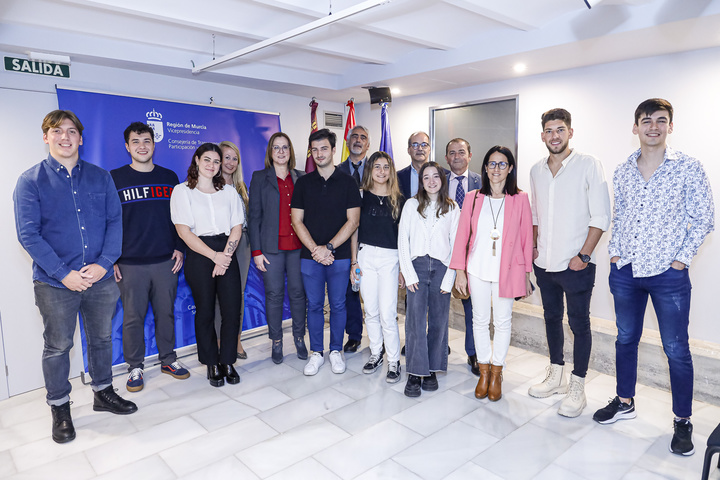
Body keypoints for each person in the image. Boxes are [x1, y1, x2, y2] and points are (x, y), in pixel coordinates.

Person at [593, 99, 714, 457]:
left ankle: (682, 420)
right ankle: (625, 400)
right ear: (636, 128)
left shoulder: (689, 168)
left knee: (676, 350)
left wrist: (680, 260)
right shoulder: (622, 170)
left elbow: (704, 218)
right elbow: (621, 216)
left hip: (668, 275)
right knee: (625, 338)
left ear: (670, 127)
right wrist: (615, 253)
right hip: (626, 270)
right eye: (646, 121)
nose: (654, 127)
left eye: (661, 121)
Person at [14, 110, 138, 444]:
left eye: (72, 131)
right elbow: (28, 235)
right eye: (57, 131)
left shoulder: (101, 178)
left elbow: (115, 222)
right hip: (55, 284)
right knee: (58, 346)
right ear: (46, 137)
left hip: (101, 278)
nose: (65, 137)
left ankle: (102, 392)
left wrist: (104, 263)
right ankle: (59, 407)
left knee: (101, 339)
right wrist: (63, 273)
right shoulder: (30, 181)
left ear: (81, 138)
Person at [527, 108, 611, 418]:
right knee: (551, 318)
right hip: (545, 263)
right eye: (549, 130)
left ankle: (578, 386)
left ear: (570, 132)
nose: (554, 136)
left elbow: (601, 215)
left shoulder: (589, 165)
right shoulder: (536, 170)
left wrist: (584, 256)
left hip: (576, 263)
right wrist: (535, 250)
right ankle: (556, 375)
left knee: (579, 324)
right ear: (542, 135)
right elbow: (535, 215)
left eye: (560, 129)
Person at [111, 122, 189, 393]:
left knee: (165, 314)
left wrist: (180, 246)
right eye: (135, 141)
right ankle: (135, 367)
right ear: (127, 146)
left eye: (146, 140)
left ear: (154, 144)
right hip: (130, 264)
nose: (142, 146)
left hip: (165, 260)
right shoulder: (115, 178)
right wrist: (111, 258)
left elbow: (180, 217)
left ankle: (168, 359)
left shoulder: (169, 177)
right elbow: (108, 221)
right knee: (133, 317)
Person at [450, 146, 533, 402]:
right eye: (492, 163)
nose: (496, 168)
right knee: (479, 321)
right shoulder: (474, 197)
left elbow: (527, 238)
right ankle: (483, 371)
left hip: (507, 271)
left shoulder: (520, 198)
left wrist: (527, 274)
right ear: (485, 168)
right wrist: (460, 272)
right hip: (477, 268)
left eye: (502, 164)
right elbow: (462, 236)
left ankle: (497, 372)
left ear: (510, 168)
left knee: (503, 321)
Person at [170, 143, 244, 388]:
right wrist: (215, 257)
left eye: (216, 161)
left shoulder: (229, 192)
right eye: (207, 160)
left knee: (232, 311)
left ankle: (228, 361)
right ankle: (211, 362)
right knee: (205, 312)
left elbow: (236, 227)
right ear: (197, 160)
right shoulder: (182, 191)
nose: (212, 165)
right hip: (200, 253)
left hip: (227, 251)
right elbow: (183, 231)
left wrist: (225, 256)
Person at [291, 128, 361, 376]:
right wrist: (315, 249)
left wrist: (328, 247)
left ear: (333, 150)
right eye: (315, 149)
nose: (319, 153)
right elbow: (296, 220)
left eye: (324, 148)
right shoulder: (303, 183)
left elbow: (353, 221)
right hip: (310, 257)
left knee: (339, 305)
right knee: (314, 305)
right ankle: (317, 353)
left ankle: (335, 351)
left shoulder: (348, 182)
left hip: (339, 257)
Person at [398, 162, 460, 397]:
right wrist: (409, 271)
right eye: (426, 177)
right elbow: (403, 239)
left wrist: (450, 278)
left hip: (442, 269)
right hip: (418, 267)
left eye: (436, 176)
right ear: (421, 181)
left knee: (438, 321)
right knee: (414, 321)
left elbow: (456, 245)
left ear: (442, 180)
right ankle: (415, 372)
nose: (432, 181)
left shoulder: (452, 207)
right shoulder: (411, 205)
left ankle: (432, 368)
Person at [248, 132, 308, 364]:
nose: (281, 151)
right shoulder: (259, 177)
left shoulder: (301, 177)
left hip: (297, 248)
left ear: (290, 151)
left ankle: (299, 338)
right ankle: (276, 342)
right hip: (271, 248)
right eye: (276, 147)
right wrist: (256, 252)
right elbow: (254, 218)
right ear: (270, 152)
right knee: (274, 295)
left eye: (285, 147)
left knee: (297, 294)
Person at [350, 151, 404, 383]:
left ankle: (394, 360)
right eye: (377, 167)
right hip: (366, 257)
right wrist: (354, 262)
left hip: (391, 258)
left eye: (386, 167)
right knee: (370, 310)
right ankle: (376, 353)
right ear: (370, 170)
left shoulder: (400, 199)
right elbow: (354, 230)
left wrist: (403, 267)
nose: (381, 171)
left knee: (388, 312)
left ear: (391, 171)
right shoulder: (360, 196)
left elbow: (404, 237)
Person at [445, 138, 483, 377]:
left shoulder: (484, 181)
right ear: (446, 158)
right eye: (452, 153)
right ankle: (439, 347)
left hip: (472, 255)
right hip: (441, 253)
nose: (457, 156)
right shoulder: (436, 180)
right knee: (438, 305)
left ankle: (474, 353)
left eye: (461, 152)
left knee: (473, 308)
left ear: (470, 155)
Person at [337, 125, 371, 353]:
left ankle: (379, 337)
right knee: (350, 290)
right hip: (344, 237)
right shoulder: (337, 171)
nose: (358, 140)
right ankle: (355, 335)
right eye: (354, 137)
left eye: (363, 138)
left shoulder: (378, 168)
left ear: (368, 144)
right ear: (347, 143)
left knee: (375, 292)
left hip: (372, 238)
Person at [218, 140, 251, 360]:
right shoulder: (209, 185)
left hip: (243, 245)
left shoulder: (241, 186)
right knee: (218, 297)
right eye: (226, 157)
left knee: (237, 295)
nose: (230, 162)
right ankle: (221, 342)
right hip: (219, 243)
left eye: (234, 158)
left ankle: (236, 340)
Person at [397, 131, 430, 200]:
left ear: (429, 150)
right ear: (409, 150)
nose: (420, 148)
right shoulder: (398, 177)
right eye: (415, 145)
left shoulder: (443, 175)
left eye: (424, 145)